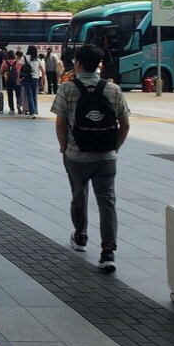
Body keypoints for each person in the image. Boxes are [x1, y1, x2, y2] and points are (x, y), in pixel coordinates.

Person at [52, 42, 130, 272]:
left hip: (77, 155)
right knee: (107, 201)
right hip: (106, 156)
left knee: (79, 195)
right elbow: (125, 124)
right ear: (99, 64)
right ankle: (108, 251)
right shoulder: (112, 89)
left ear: (77, 63)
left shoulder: (67, 88)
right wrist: (114, 148)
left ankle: (81, 236)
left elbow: (60, 123)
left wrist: (64, 147)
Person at [0, 50, 20, 115]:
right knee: (18, 94)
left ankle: (12, 109)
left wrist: (2, 74)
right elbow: (19, 71)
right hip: (16, 79)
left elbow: (1, 71)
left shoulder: (5, 62)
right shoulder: (17, 62)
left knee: (10, 95)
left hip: (8, 80)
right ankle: (19, 104)